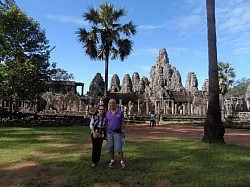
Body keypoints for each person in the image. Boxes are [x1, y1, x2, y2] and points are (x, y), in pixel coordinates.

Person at [105, 99, 126, 169]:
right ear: (109, 104)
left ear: (115, 104)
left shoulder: (120, 112)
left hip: (117, 132)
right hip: (109, 132)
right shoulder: (107, 113)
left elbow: (122, 122)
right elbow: (106, 123)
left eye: (113, 103)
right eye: (110, 104)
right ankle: (112, 160)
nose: (112, 105)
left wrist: (122, 131)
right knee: (111, 148)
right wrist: (105, 132)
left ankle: (122, 161)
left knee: (119, 148)